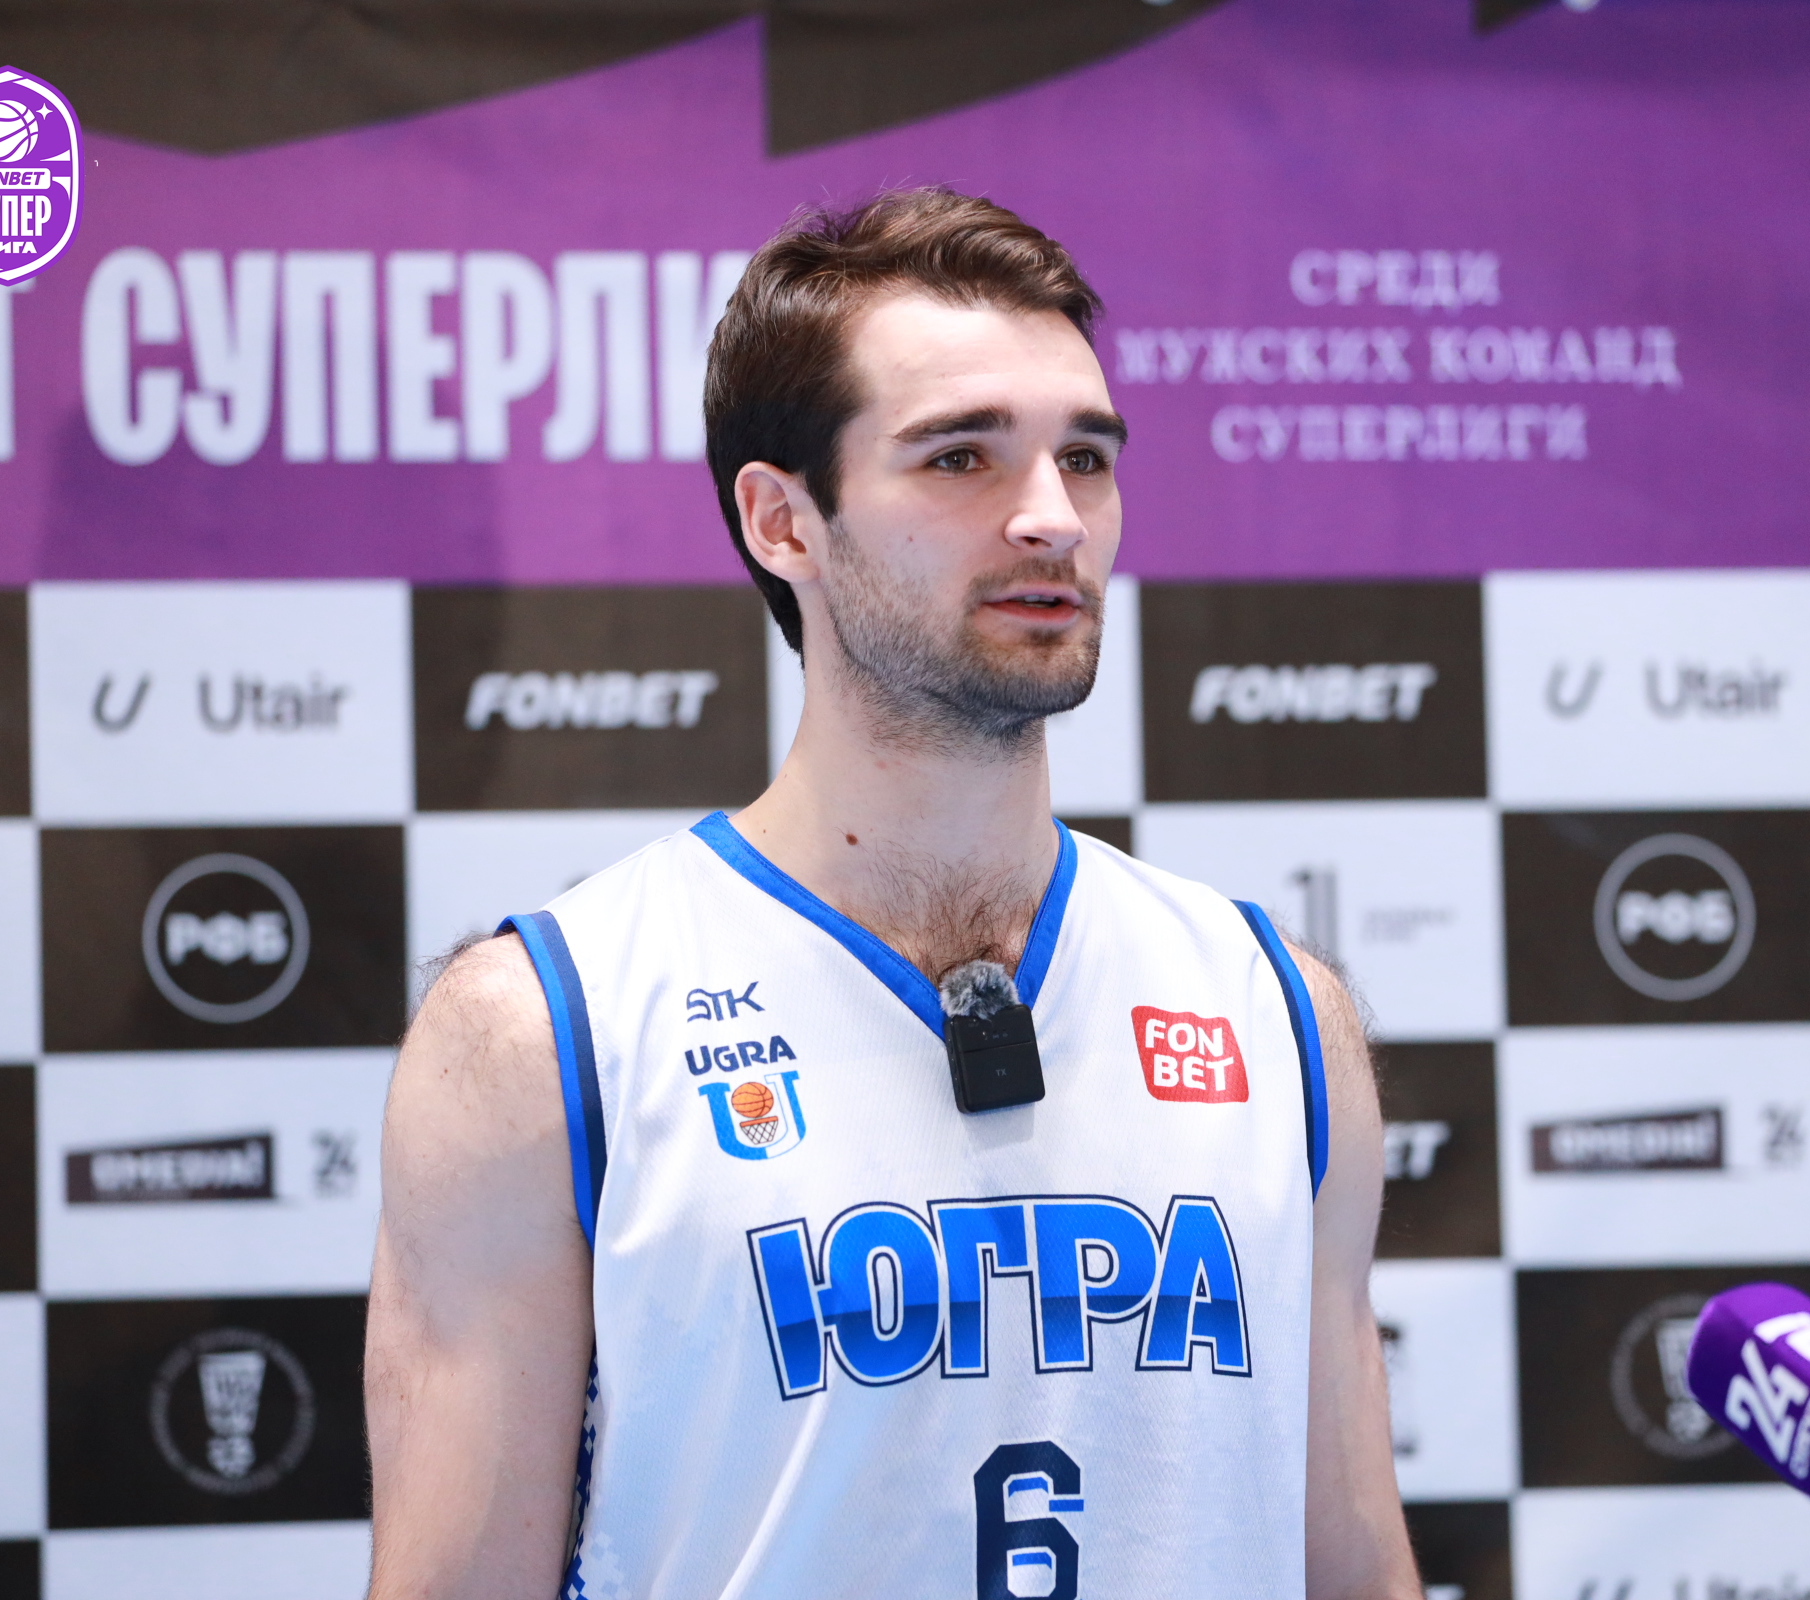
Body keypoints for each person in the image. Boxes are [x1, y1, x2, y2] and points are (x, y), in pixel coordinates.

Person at [364, 186, 1416, 1600]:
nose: (1051, 518)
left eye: (1085, 458)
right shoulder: (546, 1031)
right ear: (782, 521)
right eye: (961, 457)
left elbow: (1356, 1572)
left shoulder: (1279, 1012)